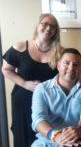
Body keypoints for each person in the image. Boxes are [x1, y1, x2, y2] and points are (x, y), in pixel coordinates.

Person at [1, 13, 62, 147]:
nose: (48, 28)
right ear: (38, 25)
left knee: (45, 136)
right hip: (23, 100)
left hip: (49, 103)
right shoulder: (20, 46)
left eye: (52, 26)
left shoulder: (60, 52)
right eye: (45, 24)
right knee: (23, 135)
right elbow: (5, 69)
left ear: (56, 31)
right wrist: (24, 83)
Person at [31, 48, 81, 147]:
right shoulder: (42, 89)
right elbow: (38, 119)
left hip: (76, 139)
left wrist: (80, 129)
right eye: (67, 63)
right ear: (58, 65)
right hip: (47, 140)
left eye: (76, 64)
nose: (71, 68)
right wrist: (57, 137)